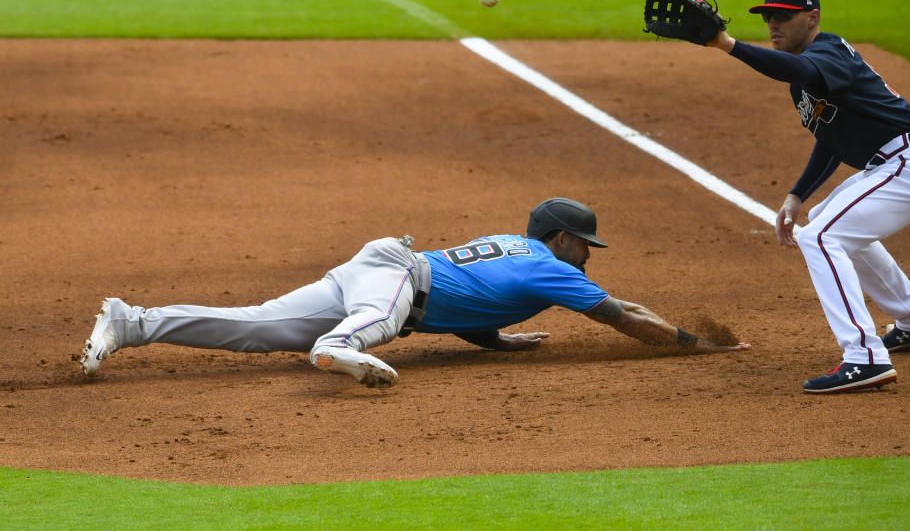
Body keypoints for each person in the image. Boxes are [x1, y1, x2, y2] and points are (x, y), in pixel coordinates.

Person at [80, 197, 749, 388]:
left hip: (387, 271)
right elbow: (623, 315)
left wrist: (498, 338)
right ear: (560, 238)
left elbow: (476, 299)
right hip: (397, 282)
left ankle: (131, 321)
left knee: (257, 327)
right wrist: (693, 345)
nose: (586, 256)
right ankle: (342, 347)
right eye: (584, 244)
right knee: (365, 323)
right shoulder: (551, 267)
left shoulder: (515, 250)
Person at [705, 0, 910, 393]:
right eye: (768, 17)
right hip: (901, 166)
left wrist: (727, 45)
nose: (773, 25)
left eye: (784, 17)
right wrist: (797, 195)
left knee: (820, 238)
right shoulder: (804, 77)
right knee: (824, 223)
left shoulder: (828, 51)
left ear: (813, 17)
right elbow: (831, 138)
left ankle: (865, 357)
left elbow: (798, 67)